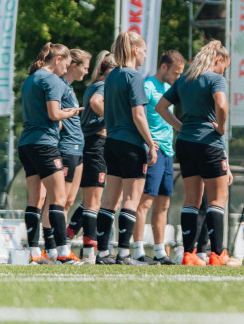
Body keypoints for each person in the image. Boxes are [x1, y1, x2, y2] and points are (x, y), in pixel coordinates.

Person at [156, 40, 236, 266]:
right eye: (225, 66)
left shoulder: (185, 80)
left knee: (192, 199)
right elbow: (221, 106)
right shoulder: (216, 78)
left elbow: (160, 107)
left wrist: (181, 126)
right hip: (208, 143)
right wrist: (220, 128)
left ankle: (189, 254)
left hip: (185, 143)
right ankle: (218, 254)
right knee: (218, 199)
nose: (224, 71)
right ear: (218, 60)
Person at [19, 43, 85, 265]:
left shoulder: (31, 78)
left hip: (27, 144)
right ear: (57, 60)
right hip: (45, 145)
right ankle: (63, 253)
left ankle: (34, 252)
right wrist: (71, 112)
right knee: (58, 198)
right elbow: (53, 113)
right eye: (66, 65)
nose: (66, 70)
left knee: (35, 199)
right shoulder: (52, 80)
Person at [98, 32, 158, 265]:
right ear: (134, 50)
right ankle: (124, 253)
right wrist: (151, 144)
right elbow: (139, 115)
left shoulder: (111, 76)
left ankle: (103, 253)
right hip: (131, 144)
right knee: (131, 200)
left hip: (111, 142)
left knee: (109, 200)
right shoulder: (134, 76)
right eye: (143, 50)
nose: (145, 55)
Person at [132, 50, 184, 265]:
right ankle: (136, 250)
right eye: (175, 72)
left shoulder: (170, 88)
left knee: (163, 203)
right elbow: (138, 116)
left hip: (168, 152)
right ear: (163, 67)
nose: (178, 77)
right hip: (152, 150)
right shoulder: (147, 86)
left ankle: (160, 251)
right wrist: (147, 143)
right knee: (145, 201)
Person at [53, 49, 90, 263]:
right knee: (58, 201)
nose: (86, 72)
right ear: (73, 66)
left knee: (68, 201)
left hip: (78, 148)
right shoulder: (59, 84)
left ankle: (62, 248)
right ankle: (56, 248)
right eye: (84, 67)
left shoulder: (70, 87)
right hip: (66, 147)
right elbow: (54, 112)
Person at [77, 51, 115, 263]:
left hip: (92, 144)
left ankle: (72, 233)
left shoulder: (95, 84)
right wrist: (113, 119)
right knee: (93, 202)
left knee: (90, 201)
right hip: (95, 145)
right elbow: (94, 101)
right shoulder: (101, 86)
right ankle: (92, 253)